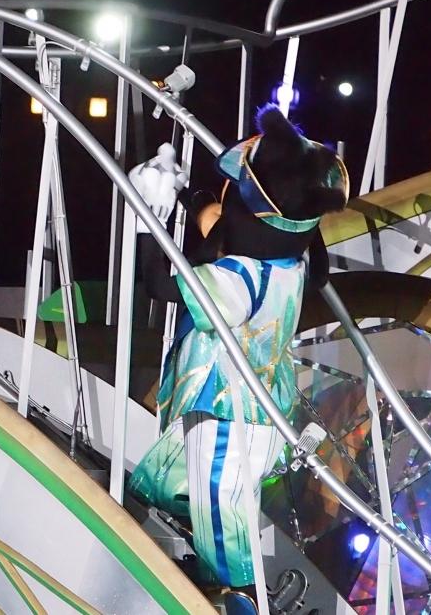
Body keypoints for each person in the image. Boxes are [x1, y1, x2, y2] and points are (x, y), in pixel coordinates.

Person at [128, 107, 348, 614]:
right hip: (264, 411)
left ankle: (243, 600)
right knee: (175, 486)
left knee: (218, 512)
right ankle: (215, 584)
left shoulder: (238, 280)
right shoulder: (293, 264)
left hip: (228, 414)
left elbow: (161, 283)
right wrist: (189, 196)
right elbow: (232, 226)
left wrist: (148, 217)